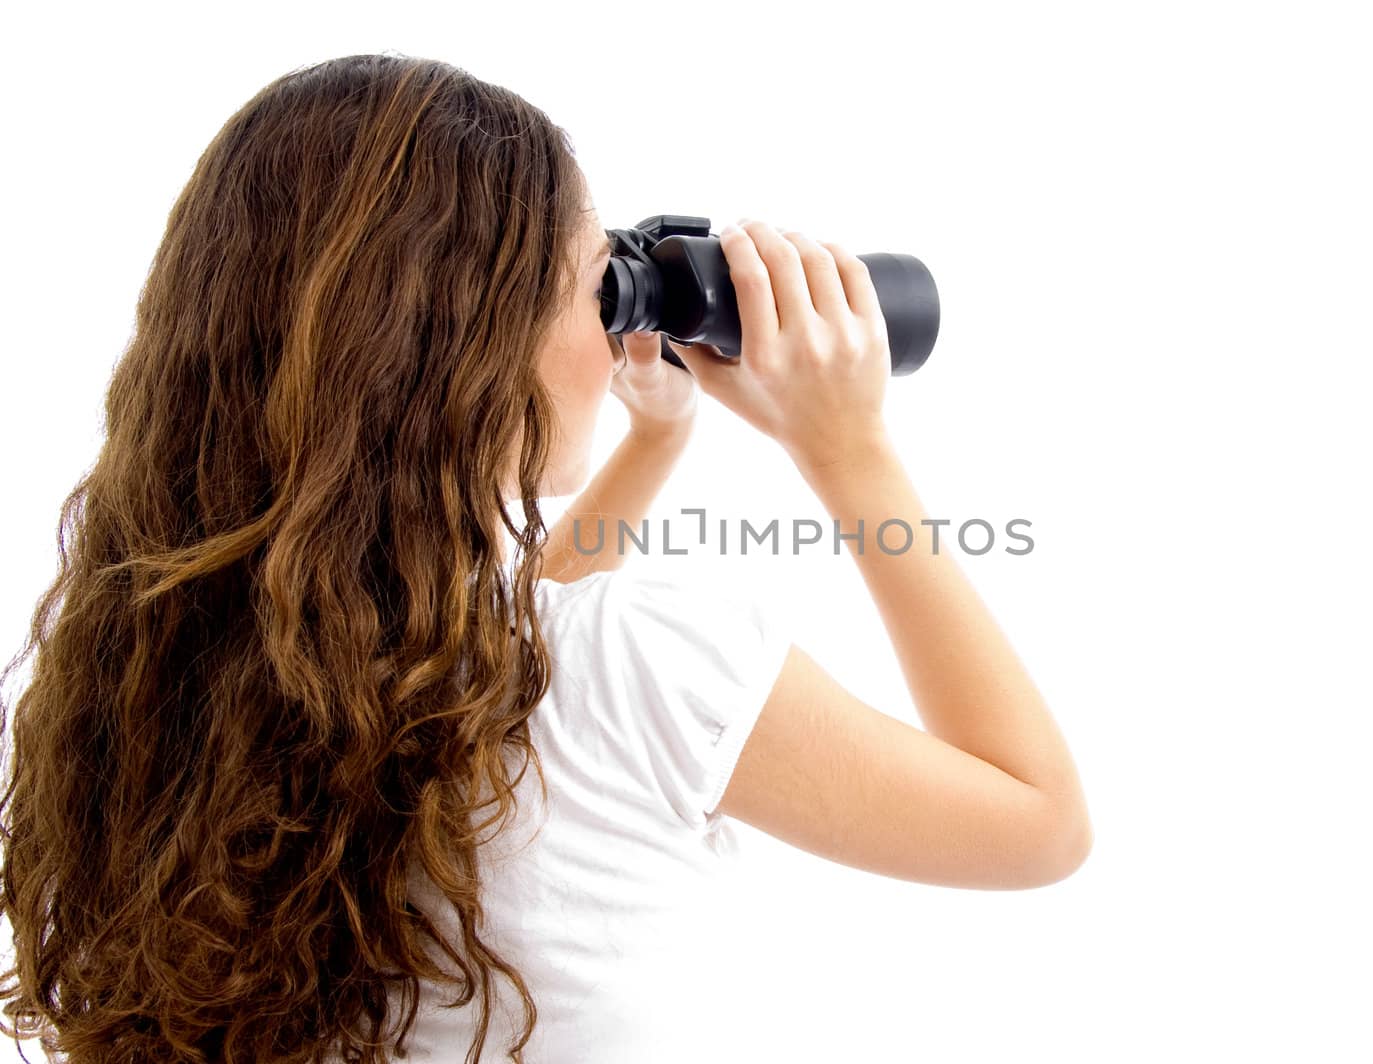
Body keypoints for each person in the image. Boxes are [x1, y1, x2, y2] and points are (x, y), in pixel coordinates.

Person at [0, 54, 1091, 1064]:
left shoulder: (150, 682)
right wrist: (851, 454)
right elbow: (1038, 820)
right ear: (475, 338)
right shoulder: (650, 665)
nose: (611, 327)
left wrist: (655, 438)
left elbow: (498, 665)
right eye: (595, 283)